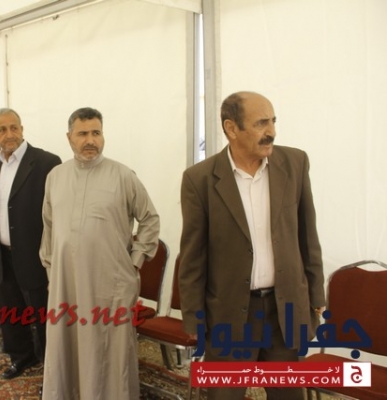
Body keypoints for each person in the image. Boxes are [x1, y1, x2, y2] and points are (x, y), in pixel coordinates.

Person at [178, 91, 326, 400]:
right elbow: (193, 256)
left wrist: (316, 296)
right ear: (231, 128)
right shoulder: (200, 179)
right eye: (261, 123)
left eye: (273, 121)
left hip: (284, 311)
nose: (271, 131)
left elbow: (307, 235)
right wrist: (194, 316)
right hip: (229, 314)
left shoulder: (295, 163)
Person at [39, 107, 160, 400]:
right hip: (66, 282)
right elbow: (49, 227)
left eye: (96, 133)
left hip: (110, 282)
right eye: (83, 134)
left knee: (109, 350)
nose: (90, 140)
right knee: (66, 343)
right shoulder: (55, 177)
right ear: (69, 137)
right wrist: (52, 272)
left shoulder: (123, 175)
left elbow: (150, 219)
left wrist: (134, 263)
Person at [0, 108, 61, 379]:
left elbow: (58, 213)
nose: (9, 134)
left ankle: (52, 370)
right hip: (3, 254)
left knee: (43, 316)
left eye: (14, 127)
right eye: (2, 129)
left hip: (35, 255)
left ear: (22, 129)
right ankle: (21, 357)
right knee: (10, 312)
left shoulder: (46, 162)